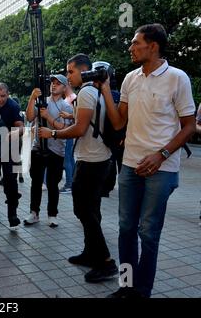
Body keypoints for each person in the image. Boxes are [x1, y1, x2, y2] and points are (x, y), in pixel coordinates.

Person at [100, 24, 196, 298]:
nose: (130, 48)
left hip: (162, 168)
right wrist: (106, 90)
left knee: (149, 232)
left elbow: (189, 126)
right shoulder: (131, 79)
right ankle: (127, 286)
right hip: (130, 164)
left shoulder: (178, 78)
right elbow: (119, 122)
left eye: (135, 43)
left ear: (153, 46)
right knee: (126, 229)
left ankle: (142, 291)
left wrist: (161, 154)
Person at [39, 54, 118, 283]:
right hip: (101, 158)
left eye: (70, 71)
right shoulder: (97, 91)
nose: (68, 76)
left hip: (91, 160)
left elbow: (79, 129)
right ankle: (90, 252)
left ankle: (104, 261)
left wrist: (52, 132)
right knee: (91, 210)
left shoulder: (86, 91)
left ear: (83, 71)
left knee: (84, 211)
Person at [24, 74, 73, 227]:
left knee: (53, 184)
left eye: (58, 83)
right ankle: (34, 213)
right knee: (36, 182)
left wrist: (48, 117)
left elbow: (65, 129)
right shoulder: (42, 100)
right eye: (53, 83)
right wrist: (32, 98)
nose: (54, 85)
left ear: (64, 88)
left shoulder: (66, 106)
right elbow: (30, 117)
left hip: (56, 150)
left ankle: (52, 214)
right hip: (38, 147)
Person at [0, 83, 24, 229]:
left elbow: (20, 127)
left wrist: (12, 134)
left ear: (8, 94)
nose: (0, 99)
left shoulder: (13, 106)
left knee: (11, 182)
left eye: (3, 96)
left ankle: (12, 214)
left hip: (11, 147)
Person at [60, 84, 77, 193]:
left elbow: (78, 115)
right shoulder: (69, 98)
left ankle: (69, 184)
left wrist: (69, 116)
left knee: (67, 159)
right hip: (69, 132)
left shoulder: (73, 98)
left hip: (68, 132)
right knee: (70, 159)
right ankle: (73, 182)